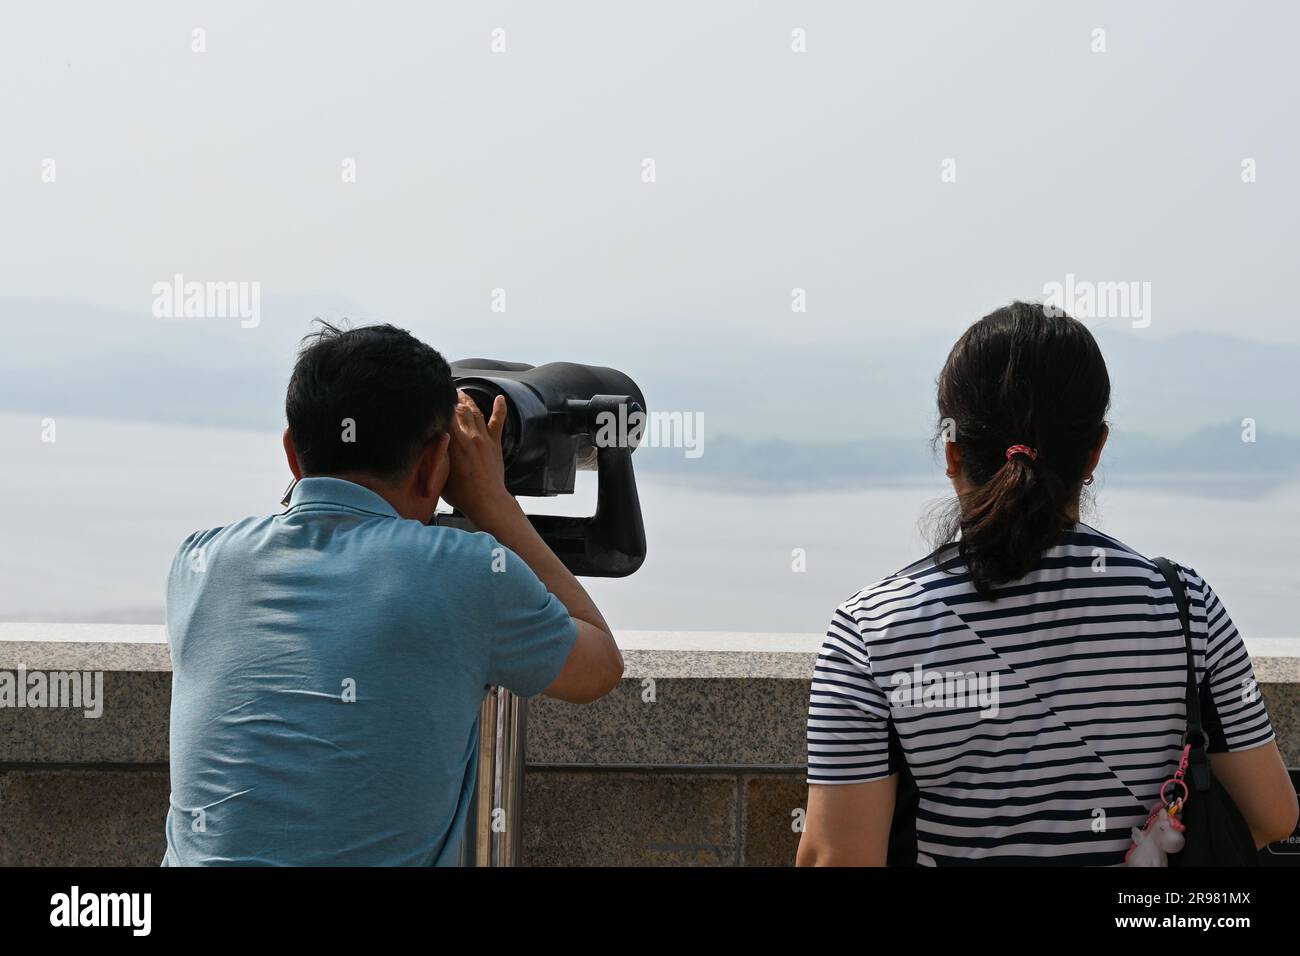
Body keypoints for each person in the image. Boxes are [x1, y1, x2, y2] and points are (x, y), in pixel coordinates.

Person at [797, 302, 1297, 866]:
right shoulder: (1185, 609)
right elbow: (1273, 816)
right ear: (1095, 451)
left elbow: (837, 858)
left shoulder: (871, 630)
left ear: (953, 452)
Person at [163, 322, 623, 865]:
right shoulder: (467, 574)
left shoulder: (201, 562)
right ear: (436, 464)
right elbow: (599, 666)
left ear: (292, 451)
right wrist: (494, 503)